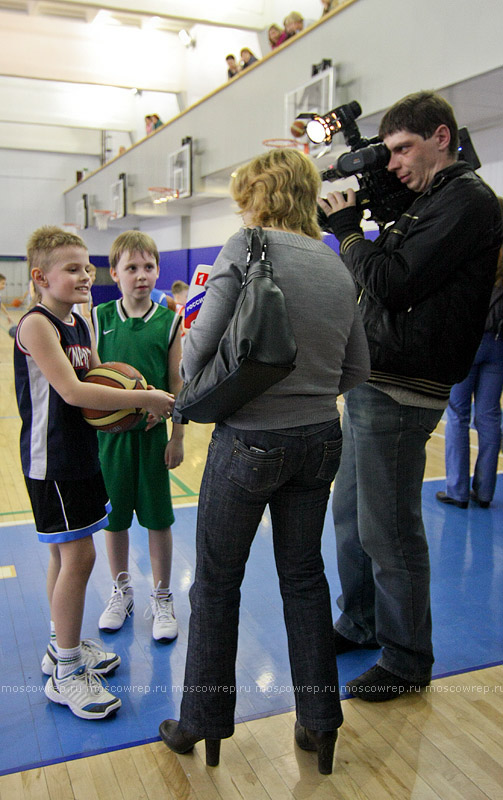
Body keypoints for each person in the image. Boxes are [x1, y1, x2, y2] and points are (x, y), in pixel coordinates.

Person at [158, 148, 370, 773]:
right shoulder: (335, 266)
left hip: (248, 441)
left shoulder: (246, 246)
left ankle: (202, 721)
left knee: (218, 585)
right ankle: (320, 724)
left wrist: (194, 331)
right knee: (305, 580)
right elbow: (355, 369)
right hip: (320, 441)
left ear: (258, 195)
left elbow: (197, 357)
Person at [318, 91, 503, 701]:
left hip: (405, 388)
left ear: (443, 137)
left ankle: (405, 658)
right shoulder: (431, 200)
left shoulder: (470, 202)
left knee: (388, 530)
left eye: (403, 149)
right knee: (351, 517)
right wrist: (368, 178)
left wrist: (346, 232)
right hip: (376, 378)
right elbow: (396, 242)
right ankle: (362, 621)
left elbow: (392, 283)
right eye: (389, 151)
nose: (393, 162)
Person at [13, 226, 174, 720]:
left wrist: (135, 400)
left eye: (88, 267)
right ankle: (65, 671)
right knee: (78, 557)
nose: (86, 275)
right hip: (52, 461)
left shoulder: (80, 324)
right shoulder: (38, 325)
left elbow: (103, 376)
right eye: (73, 268)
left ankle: (62, 645)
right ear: (41, 277)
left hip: (83, 455)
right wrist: (146, 398)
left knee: (67, 558)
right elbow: (76, 392)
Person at [94, 231, 184, 642]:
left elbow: (177, 383)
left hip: (152, 438)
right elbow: (89, 381)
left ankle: (163, 595)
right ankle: (122, 590)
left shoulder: (170, 321)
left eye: (148, 267)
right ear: (114, 273)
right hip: (108, 440)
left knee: (158, 519)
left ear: (157, 271)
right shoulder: (98, 318)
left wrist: (177, 435)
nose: (141, 275)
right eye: (131, 268)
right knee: (114, 521)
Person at [437, 205, 503, 509]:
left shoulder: (475, 250)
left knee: (458, 414)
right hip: (499, 345)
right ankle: (486, 491)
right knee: (489, 416)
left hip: (470, 343)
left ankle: (458, 490)